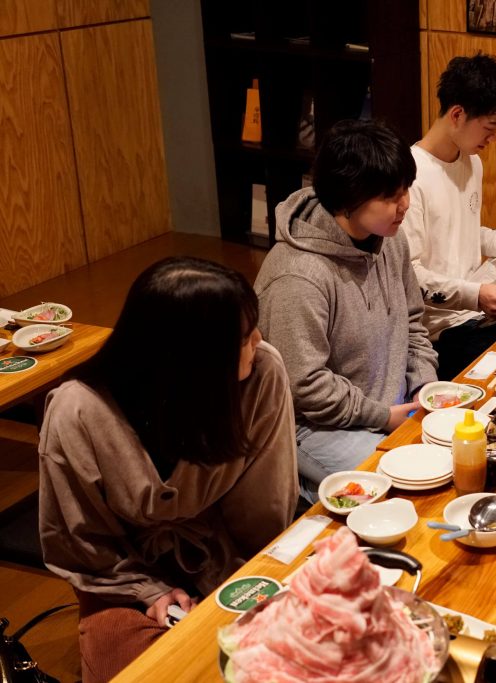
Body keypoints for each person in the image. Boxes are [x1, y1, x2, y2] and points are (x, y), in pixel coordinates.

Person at [38, 257, 298, 683]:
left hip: (230, 553)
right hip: (119, 578)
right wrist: (150, 591)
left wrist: (245, 586)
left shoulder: (261, 374)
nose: (260, 339)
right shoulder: (78, 411)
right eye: (244, 336)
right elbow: (80, 541)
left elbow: (264, 509)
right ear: (192, 357)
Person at [255, 119, 438, 500]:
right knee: (404, 490)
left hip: (390, 408)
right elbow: (305, 385)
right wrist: (383, 417)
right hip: (316, 428)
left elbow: (413, 322)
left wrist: (424, 387)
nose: (404, 204)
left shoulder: (390, 238)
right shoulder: (298, 274)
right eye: (390, 196)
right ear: (348, 197)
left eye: (405, 189)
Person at [400, 52, 496, 380]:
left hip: (477, 314)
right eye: (490, 127)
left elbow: (462, 231)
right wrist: (475, 296)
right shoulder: (409, 176)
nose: (493, 139)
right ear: (457, 114)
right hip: (440, 332)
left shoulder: (470, 162)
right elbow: (409, 276)